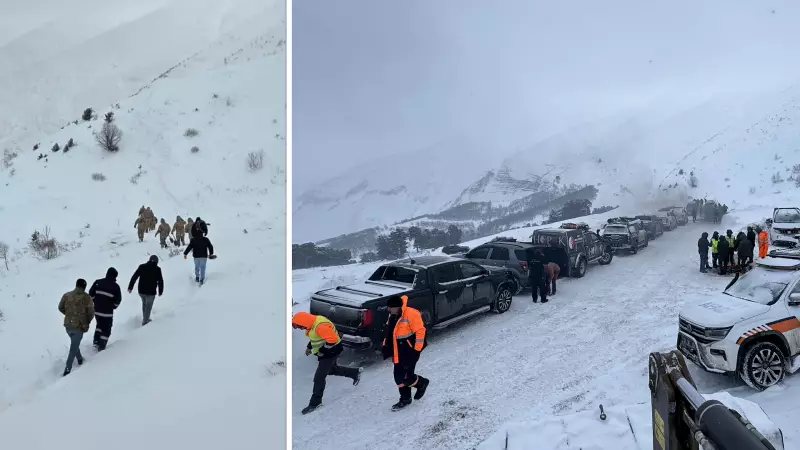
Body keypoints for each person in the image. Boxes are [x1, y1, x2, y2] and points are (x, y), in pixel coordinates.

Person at [292, 312, 362, 415]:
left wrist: (322, 351)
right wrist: (309, 347)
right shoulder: (312, 323)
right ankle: (355, 373)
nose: (299, 328)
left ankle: (315, 403)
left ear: (303, 322)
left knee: (319, 378)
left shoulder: (320, 326)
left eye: (298, 326)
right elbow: (316, 337)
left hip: (331, 352)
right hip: (328, 352)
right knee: (330, 370)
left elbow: (332, 340)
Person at [382, 295, 429, 411]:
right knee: (398, 377)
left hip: (409, 352)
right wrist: (385, 345)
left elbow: (421, 332)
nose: (389, 310)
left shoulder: (411, 314)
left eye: (390, 308)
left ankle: (421, 383)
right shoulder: (392, 314)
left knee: (407, 377)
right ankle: (405, 398)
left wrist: (416, 350)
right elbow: (389, 332)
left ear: (397, 307)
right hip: (398, 352)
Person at [58, 278, 95, 376]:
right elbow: (91, 313)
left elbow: (60, 307)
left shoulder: (66, 295)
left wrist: (69, 314)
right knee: (73, 347)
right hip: (79, 326)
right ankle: (67, 369)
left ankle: (79, 359)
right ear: (84, 287)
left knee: (74, 343)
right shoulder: (87, 298)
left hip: (68, 325)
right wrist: (87, 321)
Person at [89, 268, 122, 351]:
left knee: (99, 325)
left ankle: (96, 342)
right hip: (107, 312)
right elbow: (118, 300)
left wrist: (95, 301)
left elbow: (91, 294)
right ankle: (102, 346)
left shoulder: (98, 282)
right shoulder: (116, 287)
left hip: (97, 310)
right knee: (106, 328)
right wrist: (113, 306)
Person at [127, 255, 164, 326]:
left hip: (141, 291)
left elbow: (134, 277)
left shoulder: (142, 266)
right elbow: (160, 281)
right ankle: (145, 322)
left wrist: (130, 287)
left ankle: (145, 318)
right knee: (148, 306)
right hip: (151, 292)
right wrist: (160, 291)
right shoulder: (157, 269)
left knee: (144, 304)